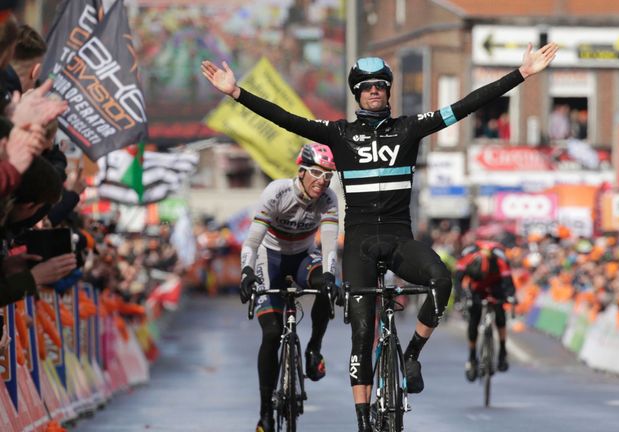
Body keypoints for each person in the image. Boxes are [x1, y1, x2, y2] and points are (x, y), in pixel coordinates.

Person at [201, 41, 557, 432]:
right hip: (359, 244)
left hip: (399, 238)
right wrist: (236, 93)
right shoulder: (338, 133)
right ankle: (362, 421)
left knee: (442, 280)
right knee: (362, 332)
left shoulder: (410, 128)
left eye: (380, 85)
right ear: (357, 94)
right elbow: (285, 119)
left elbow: (467, 104)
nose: (374, 90)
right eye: (366, 86)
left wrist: (521, 74)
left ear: (388, 91)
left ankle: (411, 355)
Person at [239, 143, 339, 432]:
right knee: (271, 334)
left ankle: (313, 349)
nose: (323, 181)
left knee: (326, 285)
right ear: (302, 171)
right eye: (317, 174)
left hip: (303, 256)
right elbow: (252, 240)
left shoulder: (329, 199)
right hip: (269, 256)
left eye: (328, 176)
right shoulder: (276, 192)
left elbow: (331, 246)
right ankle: (265, 413)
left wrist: (332, 276)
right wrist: (246, 271)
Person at [454, 239, 516, 381]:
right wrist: (460, 297)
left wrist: (510, 297)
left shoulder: (500, 260)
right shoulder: (468, 257)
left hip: (496, 285)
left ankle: (502, 352)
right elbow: (457, 280)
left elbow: (509, 283)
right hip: (476, 288)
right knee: (473, 321)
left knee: (500, 314)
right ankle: (471, 358)